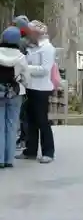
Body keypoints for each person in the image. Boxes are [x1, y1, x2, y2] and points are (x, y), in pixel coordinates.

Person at [16, 20, 56, 164]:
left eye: (29, 33)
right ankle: (30, 150)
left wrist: (26, 68)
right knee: (30, 120)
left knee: (42, 120)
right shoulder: (31, 47)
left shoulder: (47, 48)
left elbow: (45, 69)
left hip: (41, 88)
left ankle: (48, 151)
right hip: (30, 87)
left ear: (36, 33)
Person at [0, 26, 29, 168]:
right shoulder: (21, 57)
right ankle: (9, 159)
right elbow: (26, 78)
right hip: (15, 93)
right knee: (12, 126)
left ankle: (0, 158)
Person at [11, 15, 30, 149]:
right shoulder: (27, 41)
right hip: (24, 79)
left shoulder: (21, 42)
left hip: (20, 80)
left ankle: (24, 138)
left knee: (23, 113)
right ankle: (23, 137)